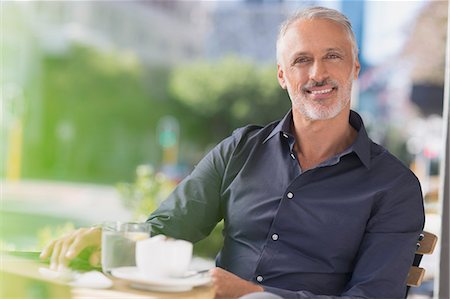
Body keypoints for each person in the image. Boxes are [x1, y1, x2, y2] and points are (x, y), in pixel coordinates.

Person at [41, 6, 425, 299]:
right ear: (282, 76)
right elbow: (169, 227)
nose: (316, 74)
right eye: (301, 60)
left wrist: (252, 295)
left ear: (354, 67)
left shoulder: (393, 187)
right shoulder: (241, 149)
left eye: (332, 57)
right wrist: (107, 239)